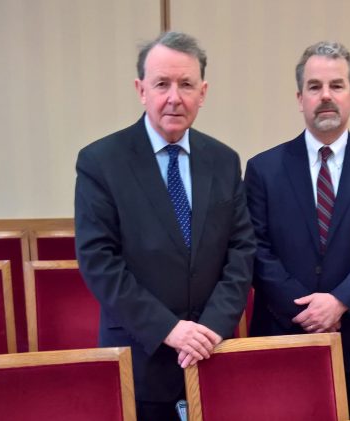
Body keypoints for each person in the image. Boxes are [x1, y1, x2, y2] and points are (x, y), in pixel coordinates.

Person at [75, 31, 255, 421]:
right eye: (162, 84)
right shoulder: (101, 162)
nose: (174, 96)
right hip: (141, 360)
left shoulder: (224, 160)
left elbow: (241, 252)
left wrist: (209, 329)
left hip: (213, 352)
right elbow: (99, 263)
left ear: (203, 92)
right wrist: (169, 329)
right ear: (141, 90)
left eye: (186, 84)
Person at [245, 41, 350, 418]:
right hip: (279, 331)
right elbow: (253, 248)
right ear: (300, 98)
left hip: (348, 333)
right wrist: (303, 311)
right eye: (315, 87)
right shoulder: (263, 169)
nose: (326, 96)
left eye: (336, 85)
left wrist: (338, 303)